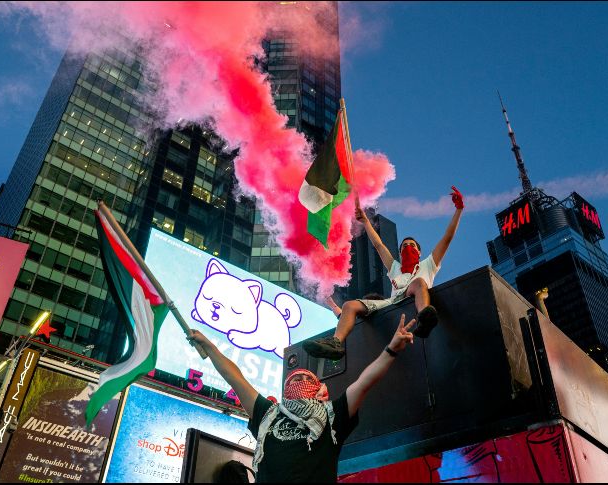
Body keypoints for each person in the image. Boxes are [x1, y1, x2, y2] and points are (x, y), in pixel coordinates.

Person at [187, 313, 417, 483]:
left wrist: (391, 350)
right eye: (295, 379)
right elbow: (235, 378)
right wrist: (210, 346)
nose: (301, 381)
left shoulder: (332, 416)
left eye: (307, 379)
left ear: (318, 389)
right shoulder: (268, 413)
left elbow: (364, 383)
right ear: (285, 389)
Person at [304, 186, 465, 360]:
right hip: (392, 302)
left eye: (412, 245)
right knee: (349, 305)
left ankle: (425, 317)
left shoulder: (428, 265)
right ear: (400, 252)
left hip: (413, 295)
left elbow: (447, 238)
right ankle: (336, 343)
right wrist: (365, 221)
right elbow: (379, 245)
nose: (407, 247)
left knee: (419, 283)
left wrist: (458, 210)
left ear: (419, 252)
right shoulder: (395, 268)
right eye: (404, 246)